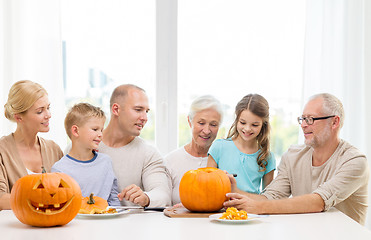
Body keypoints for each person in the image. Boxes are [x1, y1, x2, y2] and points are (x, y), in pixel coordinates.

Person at [224, 93, 369, 225]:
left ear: (334, 122)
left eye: (310, 119)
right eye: (302, 119)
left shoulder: (355, 161)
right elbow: (271, 197)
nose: (304, 125)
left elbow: (319, 202)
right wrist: (235, 191)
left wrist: (258, 207)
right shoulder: (292, 156)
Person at [99, 84, 171, 207]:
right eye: (138, 110)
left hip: (132, 225)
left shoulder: (149, 153)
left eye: (146, 111)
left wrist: (146, 198)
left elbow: (163, 194)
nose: (145, 118)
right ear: (116, 109)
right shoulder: (82, 147)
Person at [0, 80, 63, 210]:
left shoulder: (54, 149)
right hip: (16, 228)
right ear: (19, 118)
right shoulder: (2, 151)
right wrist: (42, 200)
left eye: (48, 108)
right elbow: (1, 199)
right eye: (40, 111)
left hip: (53, 227)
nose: (48, 115)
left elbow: (67, 188)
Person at [52, 103, 120, 206]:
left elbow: (113, 198)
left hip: (105, 220)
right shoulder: (59, 169)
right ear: (75, 131)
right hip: (75, 221)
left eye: (101, 130)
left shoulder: (106, 162)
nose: (100, 134)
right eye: (95, 129)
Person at [207, 94, 276, 194]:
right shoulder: (219, 147)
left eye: (254, 125)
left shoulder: (267, 157)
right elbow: (206, 187)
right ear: (236, 120)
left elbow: (268, 198)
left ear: (263, 125)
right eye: (243, 123)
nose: (247, 129)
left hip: (251, 209)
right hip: (220, 209)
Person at [164, 95, 223, 205]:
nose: (206, 130)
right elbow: (163, 205)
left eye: (213, 124)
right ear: (189, 121)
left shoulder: (225, 161)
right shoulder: (170, 161)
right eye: (201, 123)